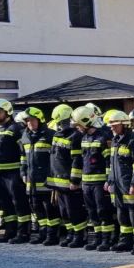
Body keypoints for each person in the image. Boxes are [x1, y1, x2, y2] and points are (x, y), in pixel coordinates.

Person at [0, 99, 31, 243]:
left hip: (13, 173)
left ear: (8, 112)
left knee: (19, 203)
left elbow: (24, 152)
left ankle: (23, 233)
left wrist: (24, 171)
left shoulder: (15, 129)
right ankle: (10, 231)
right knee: (5, 204)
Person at [106, 110, 134, 254]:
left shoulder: (133, 141)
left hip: (129, 184)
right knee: (121, 214)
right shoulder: (115, 141)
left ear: (124, 125)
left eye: (115, 125)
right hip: (117, 184)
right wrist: (110, 180)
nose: (112, 128)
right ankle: (125, 240)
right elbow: (112, 164)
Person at [73, 105, 115, 252]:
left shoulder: (103, 137)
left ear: (85, 122)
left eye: (78, 125)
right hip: (86, 182)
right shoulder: (84, 137)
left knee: (103, 211)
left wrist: (108, 180)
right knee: (92, 212)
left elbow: (109, 161)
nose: (77, 128)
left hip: (99, 182)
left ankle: (106, 239)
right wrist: (76, 180)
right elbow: (80, 159)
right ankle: (97, 238)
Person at [47, 104, 87, 248]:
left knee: (74, 210)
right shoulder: (57, 135)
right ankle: (71, 233)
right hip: (57, 181)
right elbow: (54, 158)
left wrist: (75, 180)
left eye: (59, 122)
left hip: (69, 181)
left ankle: (79, 236)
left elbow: (77, 160)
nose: (58, 125)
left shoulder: (75, 136)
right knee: (64, 211)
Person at [20, 107, 58, 245]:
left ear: (40, 120)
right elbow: (23, 157)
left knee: (50, 209)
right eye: (27, 121)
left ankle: (52, 235)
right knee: (36, 208)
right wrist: (23, 172)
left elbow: (55, 158)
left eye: (32, 120)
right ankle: (43, 233)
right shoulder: (25, 136)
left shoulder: (50, 135)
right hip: (31, 180)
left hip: (46, 180)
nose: (29, 123)